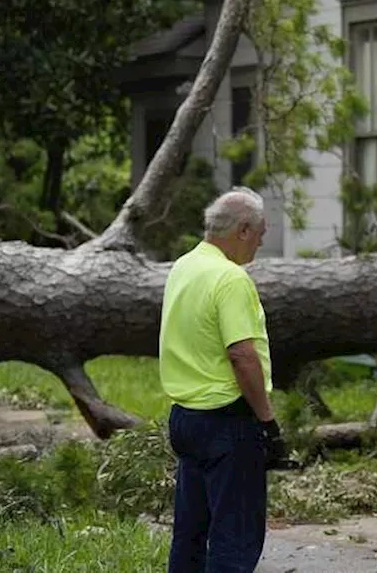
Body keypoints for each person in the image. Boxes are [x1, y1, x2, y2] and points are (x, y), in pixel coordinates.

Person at [158, 187, 290, 573]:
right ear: (244, 230)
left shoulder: (183, 266)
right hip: (226, 420)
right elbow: (241, 355)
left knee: (191, 534)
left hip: (185, 417)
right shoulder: (230, 279)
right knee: (235, 537)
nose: (260, 245)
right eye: (262, 235)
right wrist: (268, 422)